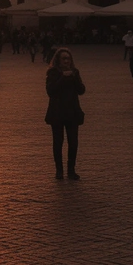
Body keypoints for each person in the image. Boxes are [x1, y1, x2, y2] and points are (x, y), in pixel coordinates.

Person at [45, 48, 86, 180]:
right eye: (64, 59)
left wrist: (73, 78)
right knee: (58, 142)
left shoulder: (75, 72)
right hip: (57, 112)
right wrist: (63, 78)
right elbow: (50, 91)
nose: (66, 61)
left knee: (73, 143)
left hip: (72, 112)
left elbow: (81, 90)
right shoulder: (53, 73)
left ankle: (71, 170)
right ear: (58, 60)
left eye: (68, 58)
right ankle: (59, 171)